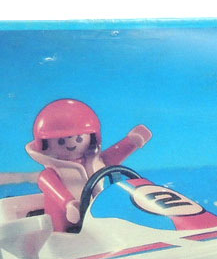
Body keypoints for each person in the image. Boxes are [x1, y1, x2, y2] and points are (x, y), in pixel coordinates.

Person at [27, 99, 152, 232]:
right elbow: (57, 192)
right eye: (61, 141)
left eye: (79, 138)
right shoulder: (50, 174)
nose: (71, 144)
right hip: (65, 228)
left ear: (92, 137)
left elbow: (113, 156)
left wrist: (131, 142)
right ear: (45, 144)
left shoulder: (94, 160)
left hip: (100, 219)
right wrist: (69, 204)